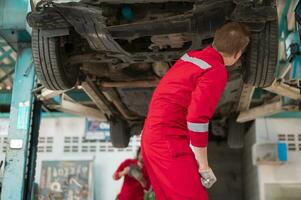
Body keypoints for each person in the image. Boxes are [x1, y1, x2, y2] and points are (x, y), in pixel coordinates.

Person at [141, 22, 250, 200]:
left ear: (215, 41)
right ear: (237, 54)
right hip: (167, 143)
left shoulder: (190, 56)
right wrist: (204, 166)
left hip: (151, 137)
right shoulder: (216, 71)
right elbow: (196, 119)